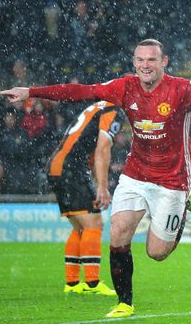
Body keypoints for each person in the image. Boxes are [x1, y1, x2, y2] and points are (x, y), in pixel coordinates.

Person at [0, 39, 191, 319]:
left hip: (172, 181)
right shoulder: (124, 87)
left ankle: (183, 206)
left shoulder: (181, 89)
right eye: (140, 59)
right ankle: (124, 302)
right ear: (134, 62)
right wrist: (31, 91)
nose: (145, 65)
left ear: (164, 62)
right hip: (135, 174)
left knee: (157, 252)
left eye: (152, 59)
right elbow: (80, 91)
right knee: (118, 232)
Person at [49, 100, 127, 296]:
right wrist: (102, 187)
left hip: (58, 164)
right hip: (71, 168)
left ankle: (73, 283)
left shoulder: (100, 105)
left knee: (80, 227)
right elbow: (102, 148)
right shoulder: (114, 110)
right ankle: (92, 284)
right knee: (94, 223)